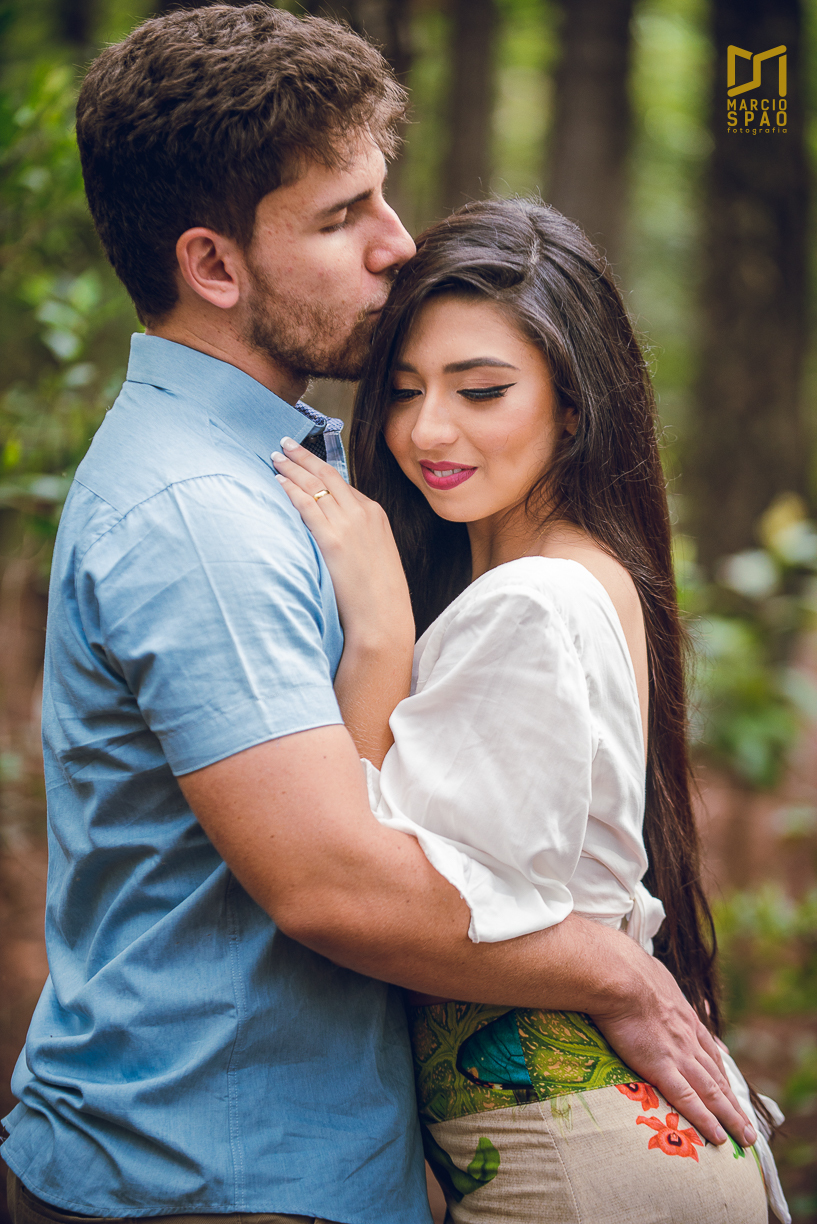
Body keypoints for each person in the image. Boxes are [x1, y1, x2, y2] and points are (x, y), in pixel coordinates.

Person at [1, 9, 753, 1224]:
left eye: (383, 197)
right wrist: (616, 968)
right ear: (213, 266)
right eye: (343, 215)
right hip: (208, 1178)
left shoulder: (280, 479)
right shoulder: (202, 513)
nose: (396, 245)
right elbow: (336, 887)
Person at [273, 198, 788, 1223]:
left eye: (482, 390)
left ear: (573, 404)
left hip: (575, 1163)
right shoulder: (581, 575)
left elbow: (386, 887)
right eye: (406, 390)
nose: (427, 430)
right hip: (591, 1145)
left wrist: (376, 633)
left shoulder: (530, 602)